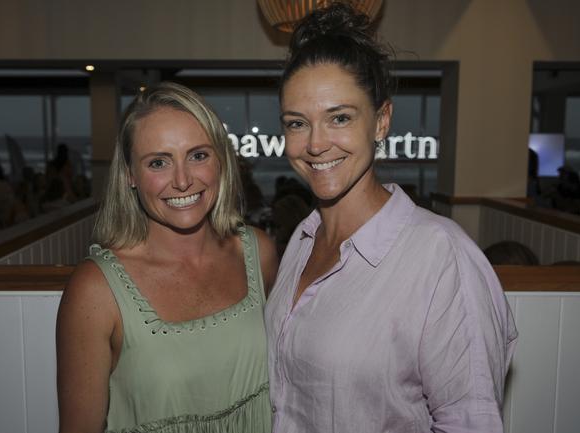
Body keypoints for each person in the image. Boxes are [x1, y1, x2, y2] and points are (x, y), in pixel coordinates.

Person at [264, 4, 518, 433]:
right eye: (296, 123)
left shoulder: (442, 257)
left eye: (340, 117)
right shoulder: (301, 242)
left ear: (381, 122)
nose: (316, 143)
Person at [56, 82, 278, 433]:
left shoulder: (258, 252)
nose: (182, 180)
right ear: (130, 174)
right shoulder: (96, 291)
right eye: (158, 162)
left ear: (221, 160)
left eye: (198, 155)